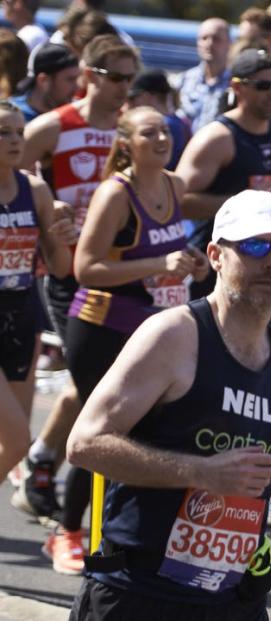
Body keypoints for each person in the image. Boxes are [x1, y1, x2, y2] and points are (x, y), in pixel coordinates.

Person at [63, 190, 271, 619]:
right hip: (140, 591)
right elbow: (84, 443)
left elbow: (251, 444)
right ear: (215, 255)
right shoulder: (173, 336)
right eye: (253, 246)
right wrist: (201, 472)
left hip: (232, 596)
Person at [54, 106, 209, 576]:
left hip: (150, 328)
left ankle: (127, 533)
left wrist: (193, 264)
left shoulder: (174, 185)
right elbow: (86, 269)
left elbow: (169, 254)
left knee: (146, 431)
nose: (162, 139)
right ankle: (66, 532)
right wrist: (158, 266)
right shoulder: (115, 193)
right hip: (101, 327)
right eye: (149, 133)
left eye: (166, 131)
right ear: (126, 143)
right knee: (106, 429)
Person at [13, 34, 130, 531]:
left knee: (99, 382)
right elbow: (12, 178)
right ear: (90, 75)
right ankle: (59, 499)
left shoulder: (131, 129)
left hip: (117, 270)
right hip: (66, 271)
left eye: (131, 79)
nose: (126, 89)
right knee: (96, 383)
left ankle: (41, 459)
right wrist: (44, 210)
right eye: (117, 78)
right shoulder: (53, 127)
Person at [176, 49, 271, 303]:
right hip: (219, 267)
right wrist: (244, 202)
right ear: (238, 87)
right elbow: (176, 201)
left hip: (268, 264)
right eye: (263, 86)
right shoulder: (218, 137)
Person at [0, 100, 73, 485]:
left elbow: (60, 268)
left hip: (21, 317)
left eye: (19, 132)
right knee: (16, 440)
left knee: (12, 444)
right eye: (4, 132)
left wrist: (62, 237)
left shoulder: (36, 190)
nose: (15, 140)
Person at [172, 18, 230, 133]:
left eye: (216, 39)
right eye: (204, 38)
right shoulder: (182, 81)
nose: (209, 43)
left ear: (229, 43)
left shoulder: (236, 84)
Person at [126, 69, 192, 170]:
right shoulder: (181, 123)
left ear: (146, 97)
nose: (128, 105)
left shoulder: (166, 125)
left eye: (132, 99)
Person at [11, 43, 80, 122]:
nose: (77, 87)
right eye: (70, 79)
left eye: (76, 78)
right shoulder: (10, 116)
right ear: (43, 80)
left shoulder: (79, 115)